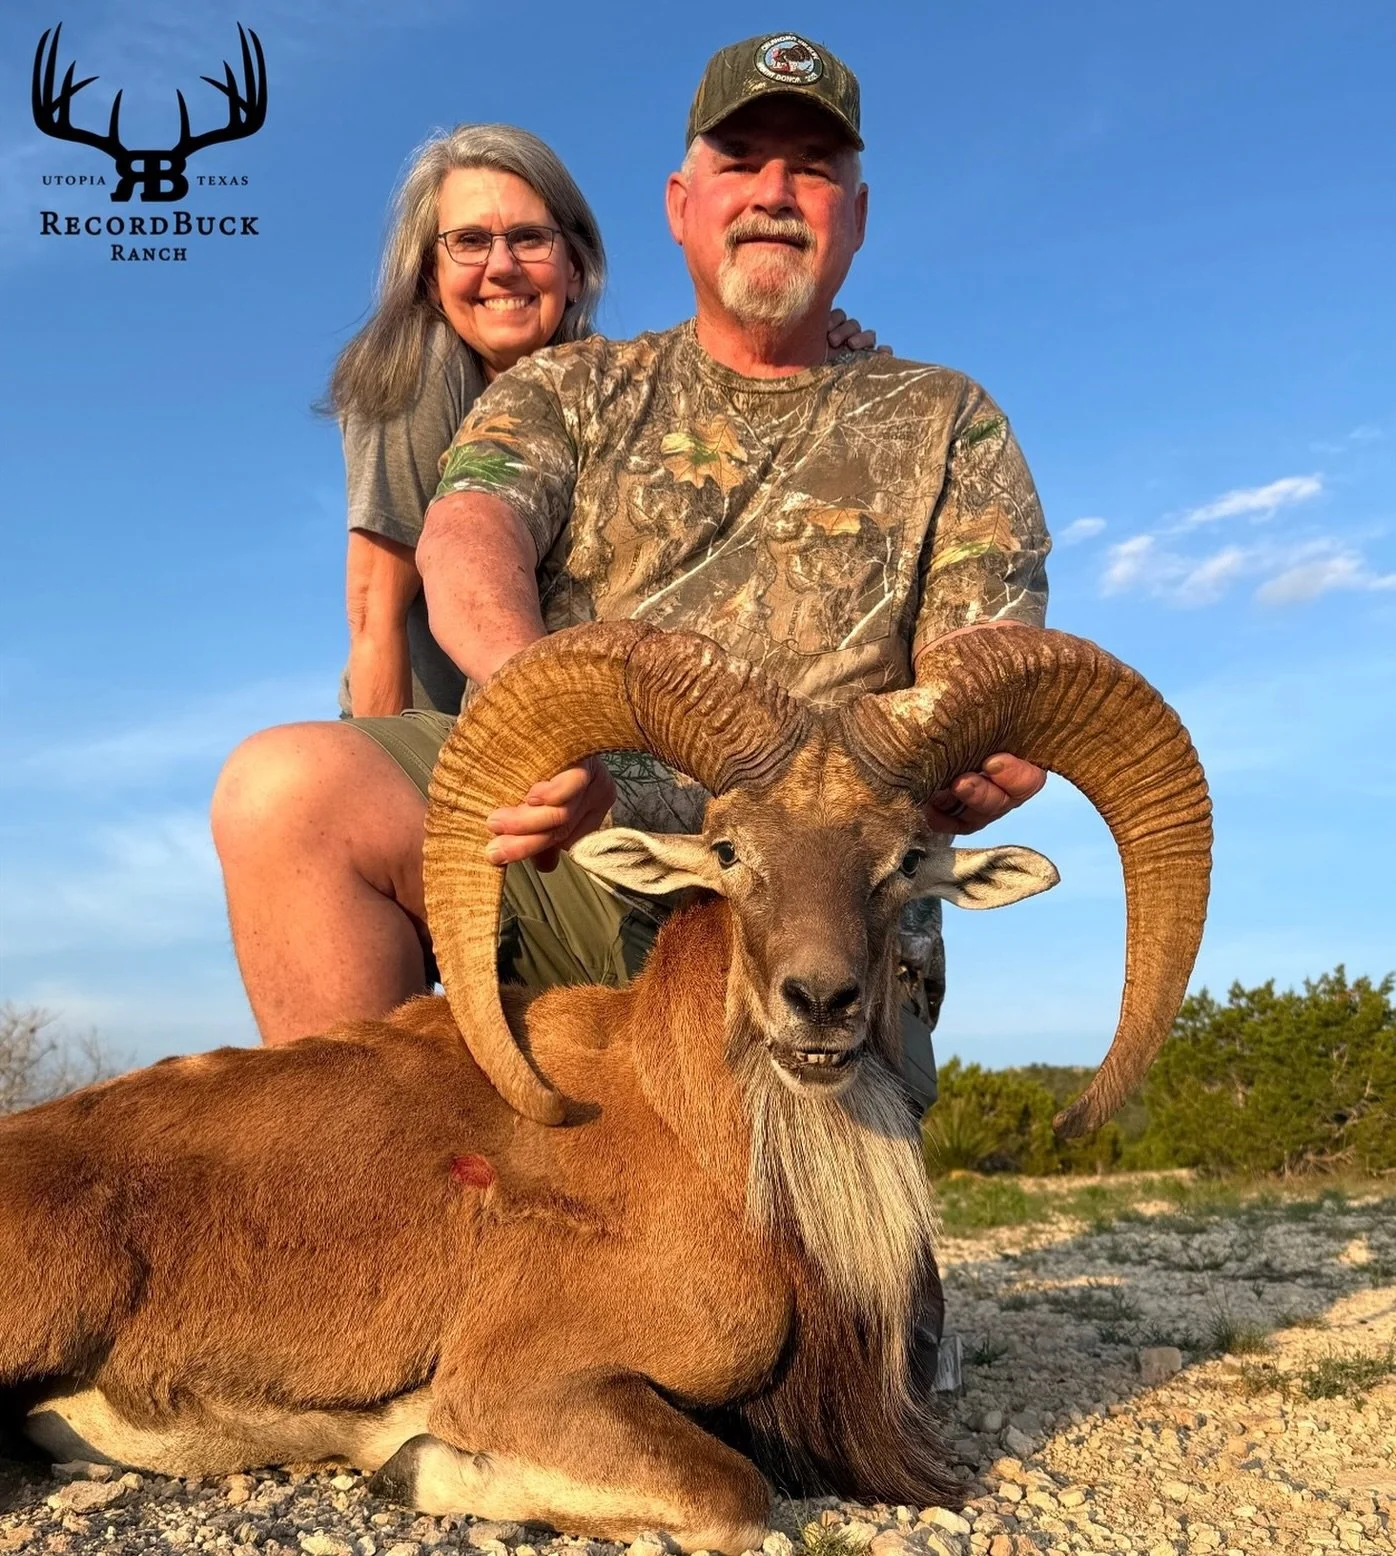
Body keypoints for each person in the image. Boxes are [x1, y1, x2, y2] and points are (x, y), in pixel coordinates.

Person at [211, 36, 1048, 1117]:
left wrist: (989, 727)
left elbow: (982, 641)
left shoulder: (948, 418)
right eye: (740, 160)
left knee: (792, 1286)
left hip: (818, 912)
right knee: (285, 792)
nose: (774, 194)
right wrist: (537, 702)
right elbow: (468, 531)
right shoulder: (571, 384)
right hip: (591, 843)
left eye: (811, 169)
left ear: (858, 212)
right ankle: (354, 1195)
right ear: (680, 203)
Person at [326, 123, 881, 720]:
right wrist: (398, 777)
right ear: (431, 274)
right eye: (468, 241)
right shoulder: (424, 371)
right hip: (452, 737)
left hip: (574, 731)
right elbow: (371, 608)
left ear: (576, 268)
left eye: (530, 238)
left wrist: (811, 352)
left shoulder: (598, 383)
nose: (502, 266)